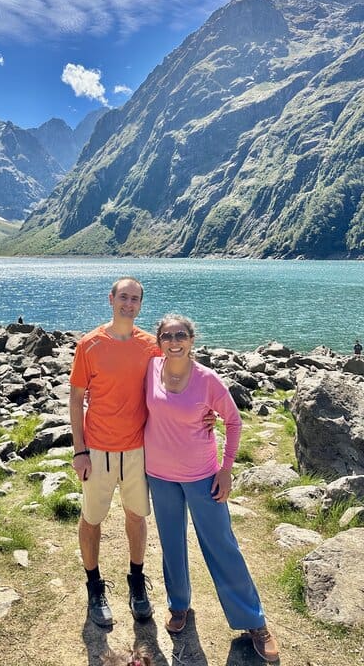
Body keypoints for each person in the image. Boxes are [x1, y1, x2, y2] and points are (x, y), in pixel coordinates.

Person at [144, 313, 279, 663]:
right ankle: (179, 605)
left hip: (202, 475)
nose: (174, 341)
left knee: (221, 546)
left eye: (181, 335)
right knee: (171, 543)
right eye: (167, 336)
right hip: (159, 475)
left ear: (192, 339)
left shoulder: (207, 380)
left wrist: (226, 469)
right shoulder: (149, 371)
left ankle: (254, 621)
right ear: (159, 342)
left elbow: (233, 421)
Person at [70, 277, 158, 627]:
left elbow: (173, 386)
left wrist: (204, 412)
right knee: (92, 519)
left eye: (135, 299)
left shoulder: (151, 345)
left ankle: (136, 583)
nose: (129, 304)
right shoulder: (90, 345)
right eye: (123, 297)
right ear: (111, 299)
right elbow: (76, 399)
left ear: (140, 305)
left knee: (136, 517)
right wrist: (80, 451)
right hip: (99, 449)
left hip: (137, 449)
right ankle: (94, 587)